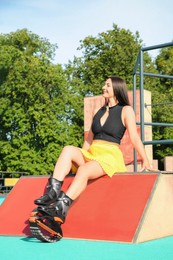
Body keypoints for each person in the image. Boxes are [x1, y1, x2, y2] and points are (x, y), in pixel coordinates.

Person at [35, 76, 152, 223]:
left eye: (108, 85)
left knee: (84, 170)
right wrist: (78, 161)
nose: (104, 87)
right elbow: (89, 140)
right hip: (93, 153)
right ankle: (52, 192)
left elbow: (135, 138)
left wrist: (145, 160)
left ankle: (60, 208)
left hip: (109, 156)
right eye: (104, 84)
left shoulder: (125, 110)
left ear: (117, 88)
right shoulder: (99, 110)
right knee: (68, 149)